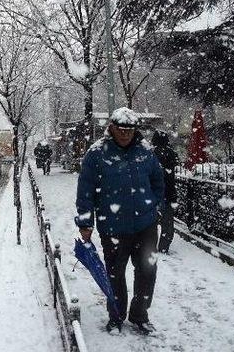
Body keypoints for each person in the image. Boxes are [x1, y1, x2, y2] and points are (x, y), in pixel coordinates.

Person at [75, 107, 164, 334]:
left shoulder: (146, 151)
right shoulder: (96, 153)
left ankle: (140, 315)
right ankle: (116, 316)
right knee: (115, 273)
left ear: (135, 130)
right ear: (111, 128)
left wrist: (152, 204)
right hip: (113, 226)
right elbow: (85, 191)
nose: (125, 134)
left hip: (145, 226)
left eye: (129, 129)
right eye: (121, 129)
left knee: (147, 270)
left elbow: (158, 181)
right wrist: (85, 223)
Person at [152, 130, 179, 254]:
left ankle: (150, 245)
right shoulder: (171, 153)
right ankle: (163, 246)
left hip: (153, 193)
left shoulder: (151, 154)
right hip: (169, 192)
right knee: (167, 223)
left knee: (151, 222)